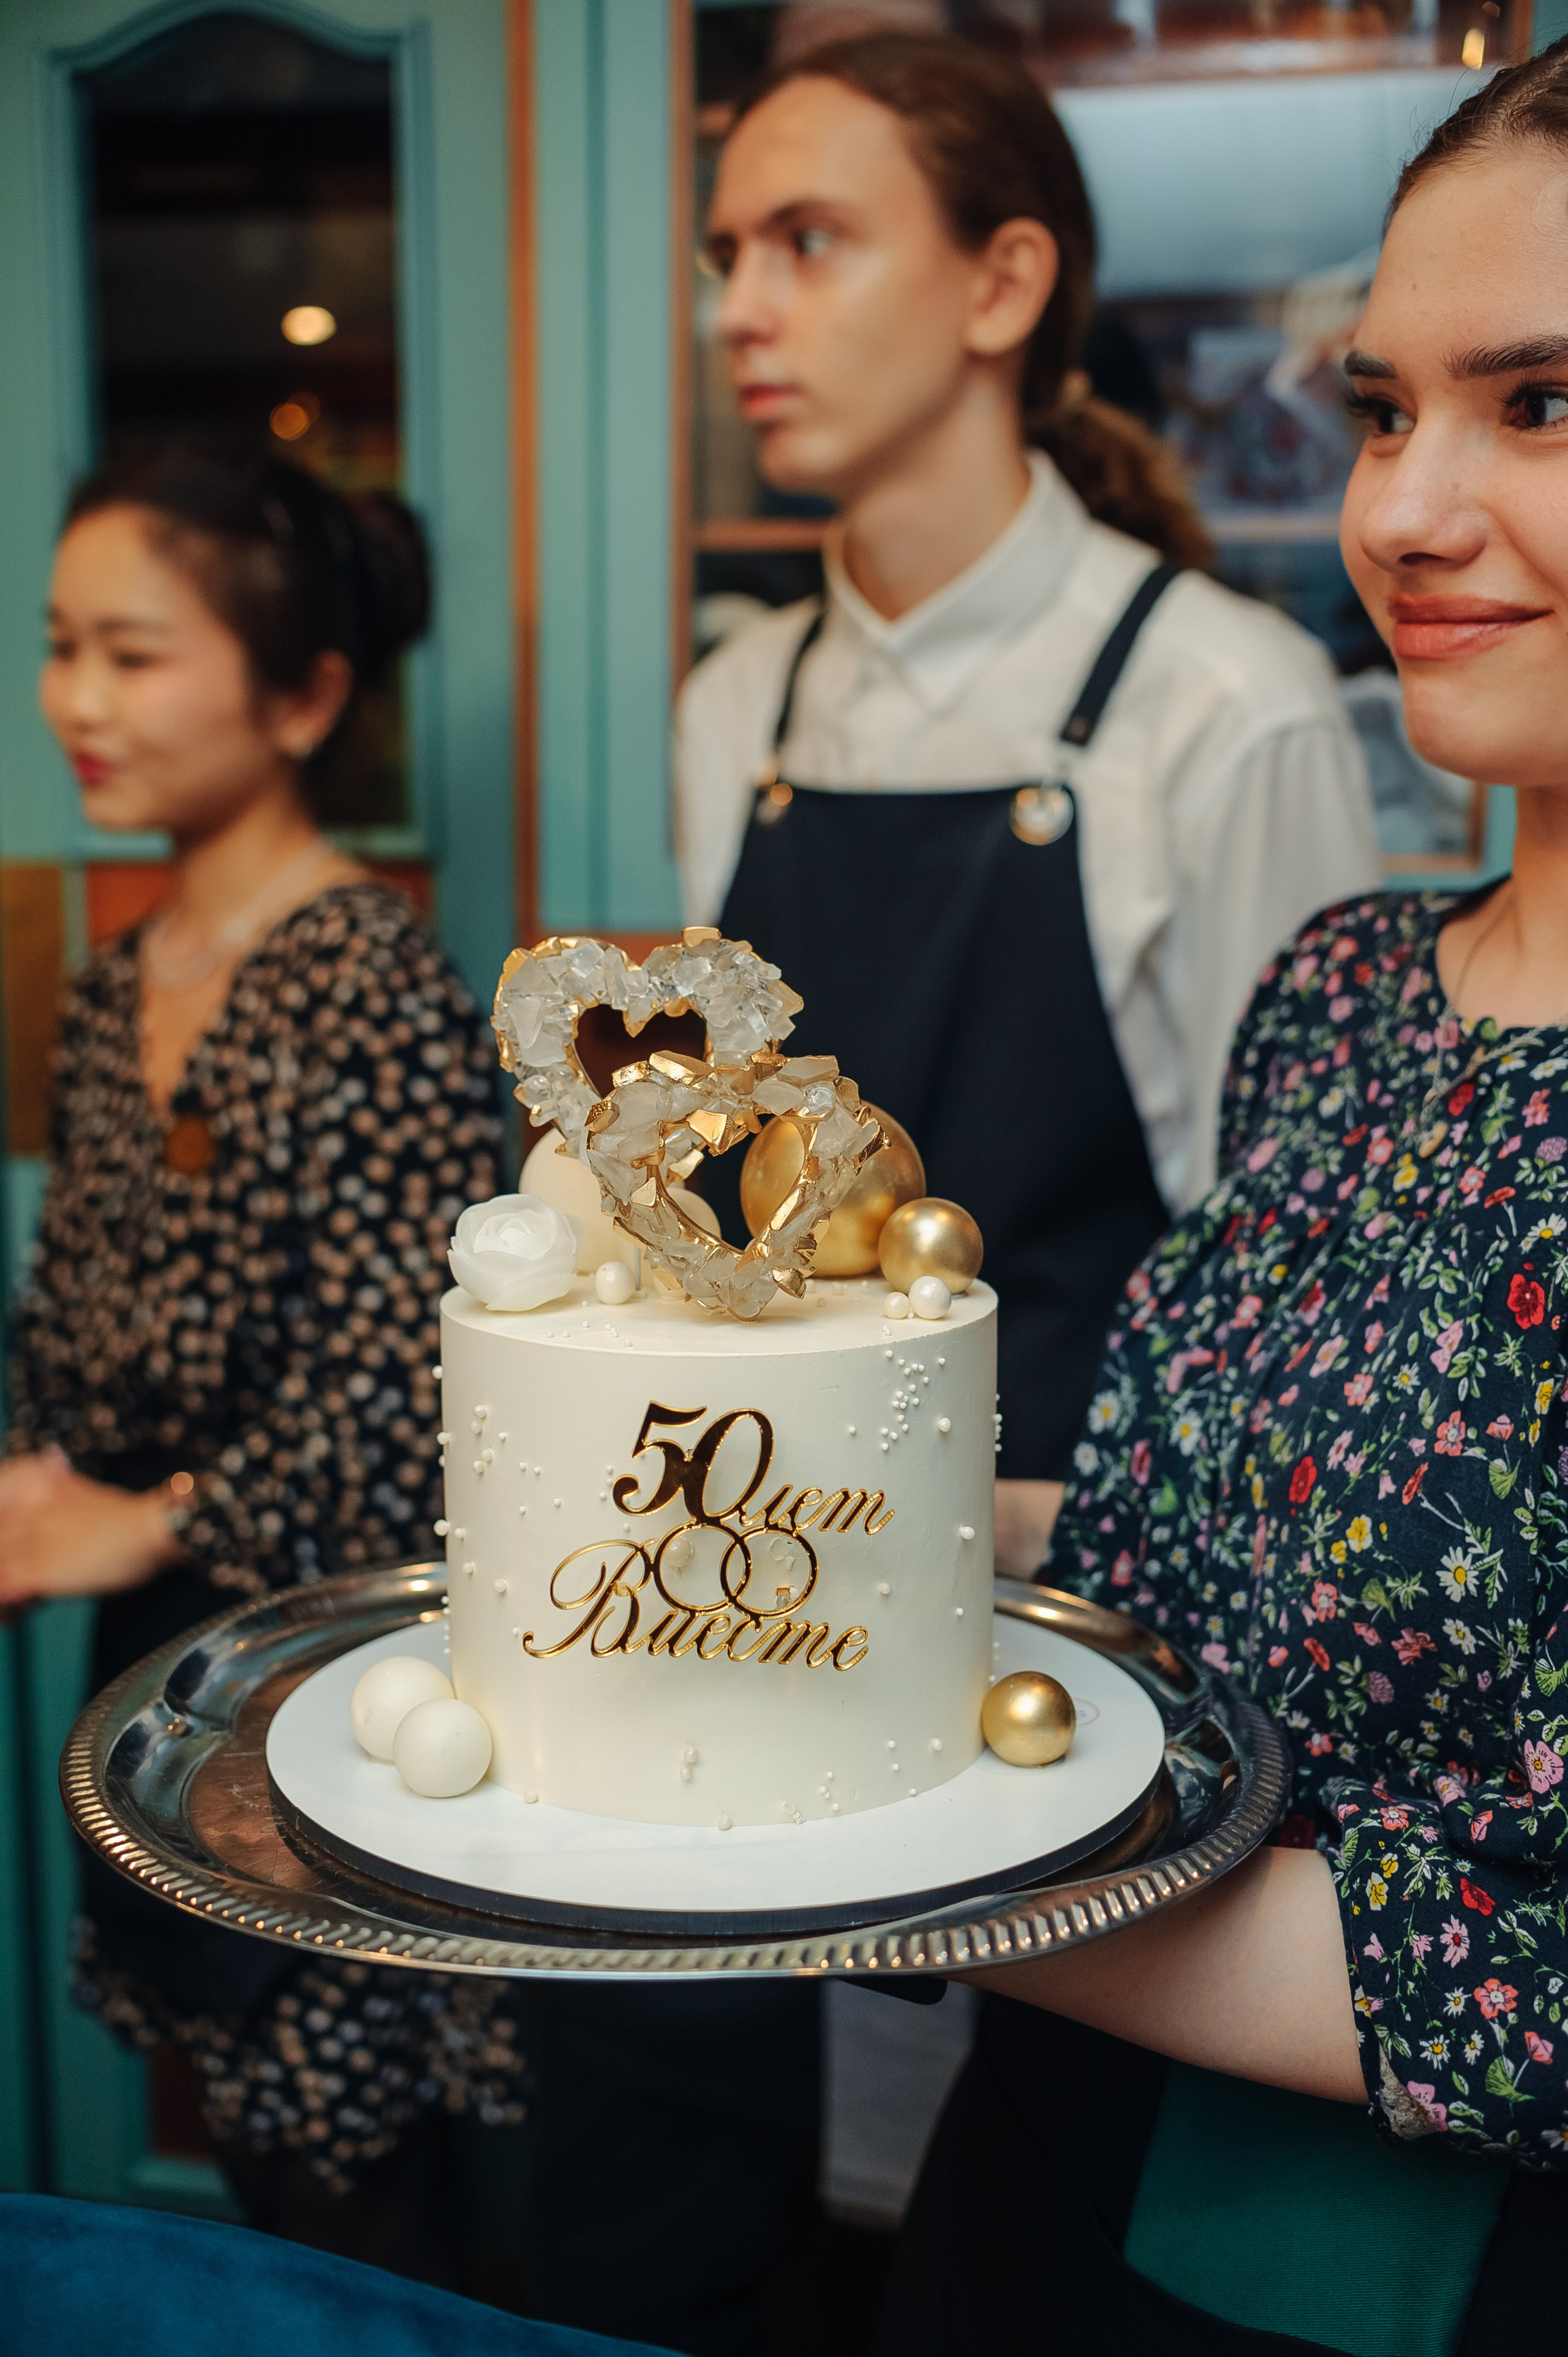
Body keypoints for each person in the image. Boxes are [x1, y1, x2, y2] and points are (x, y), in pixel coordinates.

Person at [875, 43, 1568, 2354]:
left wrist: (843, 1861)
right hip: (1037, 2189)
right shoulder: (1348, 989)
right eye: (1383, 409)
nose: (1405, 510)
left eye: (1540, 404)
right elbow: (1204, 1564)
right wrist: (751, 1534)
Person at [676, 30, 1380, 1581]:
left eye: (809, 241)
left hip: (1099, 1585)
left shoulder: (1223, 701)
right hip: (764, 1558)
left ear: (1000, 285)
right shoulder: (733, 707)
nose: (740, 312)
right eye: (728, 256)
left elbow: (1303, 1269)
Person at [1, 449, 522, 2277]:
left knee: (358, 2209)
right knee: (243, 2168)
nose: (76, 700)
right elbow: (65, 1320)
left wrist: (149, 1521)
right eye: (62, 644)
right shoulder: (113, 985)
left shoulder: (369, 981)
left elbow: (413, 1391)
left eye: (133, 654)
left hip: (336, 1686)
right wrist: (39, 1472)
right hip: (155, 1679)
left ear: (302, 699)